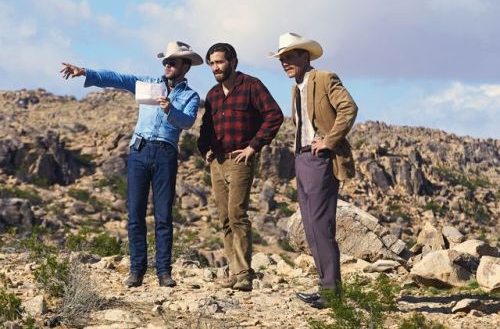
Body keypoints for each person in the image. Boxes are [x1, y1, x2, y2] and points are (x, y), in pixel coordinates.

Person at [60, 41, 203, 288]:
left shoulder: (191, 96)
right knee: (135, 214)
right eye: (165, 61)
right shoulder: (150, 83)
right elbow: (118, 78)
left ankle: (163, 272)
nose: (167, 65)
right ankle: (136, 271)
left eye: (172, 62)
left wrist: (170, 110)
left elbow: (188, 121)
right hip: (139, 150)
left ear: (185, 66)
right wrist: (85, 72)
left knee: (163, 216)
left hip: (166, 154)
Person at [270, 33, 358, 308]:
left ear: (305, 56)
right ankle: (325, 289)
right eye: (282, 59)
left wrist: (329, 141)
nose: (285, 63)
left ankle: (332, 292)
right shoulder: (295, 88)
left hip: (321, 159)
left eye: (290, 57)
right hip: (302, 159)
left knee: (321, 226)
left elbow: (348, 108)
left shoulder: (324, 77)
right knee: (310, 228)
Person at [198, 43, 284, 291]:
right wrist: (206, 149)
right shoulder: (213, 95)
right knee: (224, 218)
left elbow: (274, 115)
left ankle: (245, 273)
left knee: (237, 215)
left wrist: (253, 147)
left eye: (220, 62)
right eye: (212, 63)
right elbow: (205, 128)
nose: (216, 67)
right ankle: (234, 273)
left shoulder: (251, 85)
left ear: (233, 62)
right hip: (218, 162)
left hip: (240, 160)